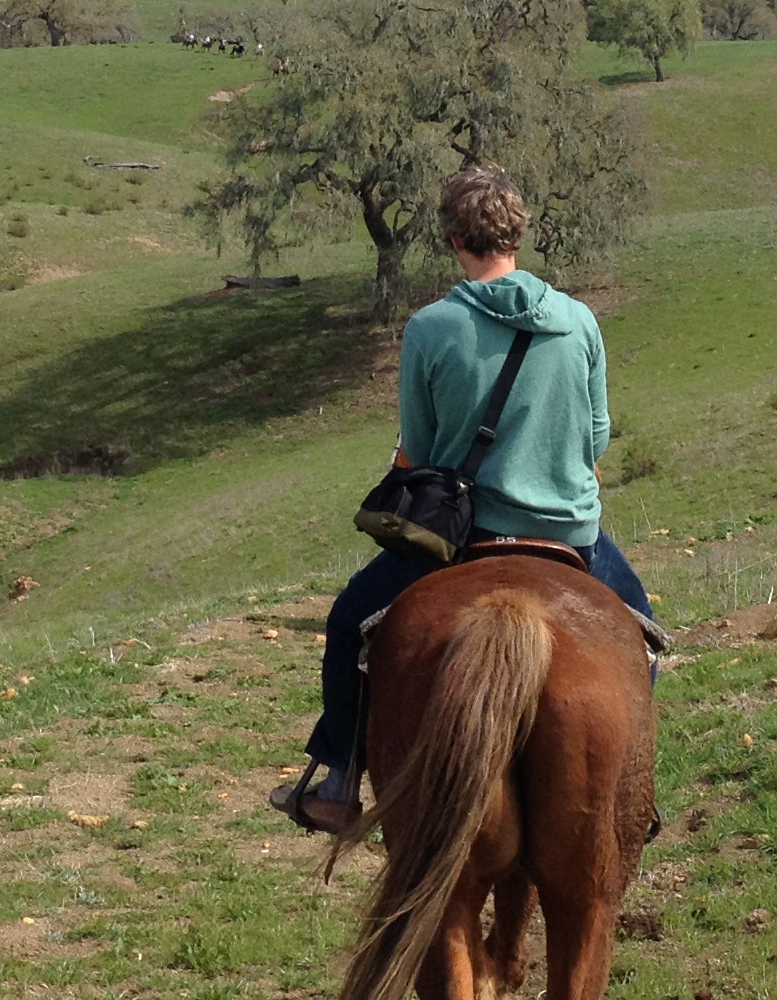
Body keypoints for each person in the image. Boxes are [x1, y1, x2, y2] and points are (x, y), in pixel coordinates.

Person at [271, 164, 655, 835]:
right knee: (642, 637)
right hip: (568, 538)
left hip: (461, 540)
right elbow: (597, 436)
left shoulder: (429, 328)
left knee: (346, 622)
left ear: (453, 237)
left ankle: (336, 780)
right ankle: (630, 788)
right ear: (518, 232)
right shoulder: (579, 320)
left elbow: (417, 448)